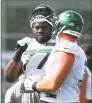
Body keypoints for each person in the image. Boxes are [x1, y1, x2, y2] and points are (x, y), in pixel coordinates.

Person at [22, 10, 87, 103]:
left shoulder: (67, 48)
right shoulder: (76, 49)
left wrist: (33, 85)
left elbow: (53, 85)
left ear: (61, 25)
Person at [4, 4, 57, 103]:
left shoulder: (59, 45)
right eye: (37, 27)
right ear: (32, 28)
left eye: (44, 27)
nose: (40, 30)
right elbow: (9, 78)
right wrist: (18, 53)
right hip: (29, 95)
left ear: (51, 28)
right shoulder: (26, 44)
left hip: (52, 94)